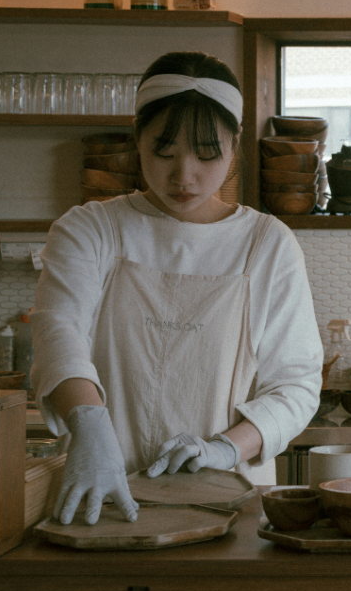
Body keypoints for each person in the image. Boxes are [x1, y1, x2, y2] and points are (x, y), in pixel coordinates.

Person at [32, 51, 323, 525]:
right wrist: (88, 424)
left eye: (207, 155)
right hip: (101, 499)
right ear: (137, 142)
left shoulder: (266, 243)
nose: (183, 175)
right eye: (163, 153)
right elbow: (57, 330)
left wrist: (226, 448)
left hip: (229, 502)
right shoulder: (92, 228)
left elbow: (296, 384)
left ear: (234, 146)